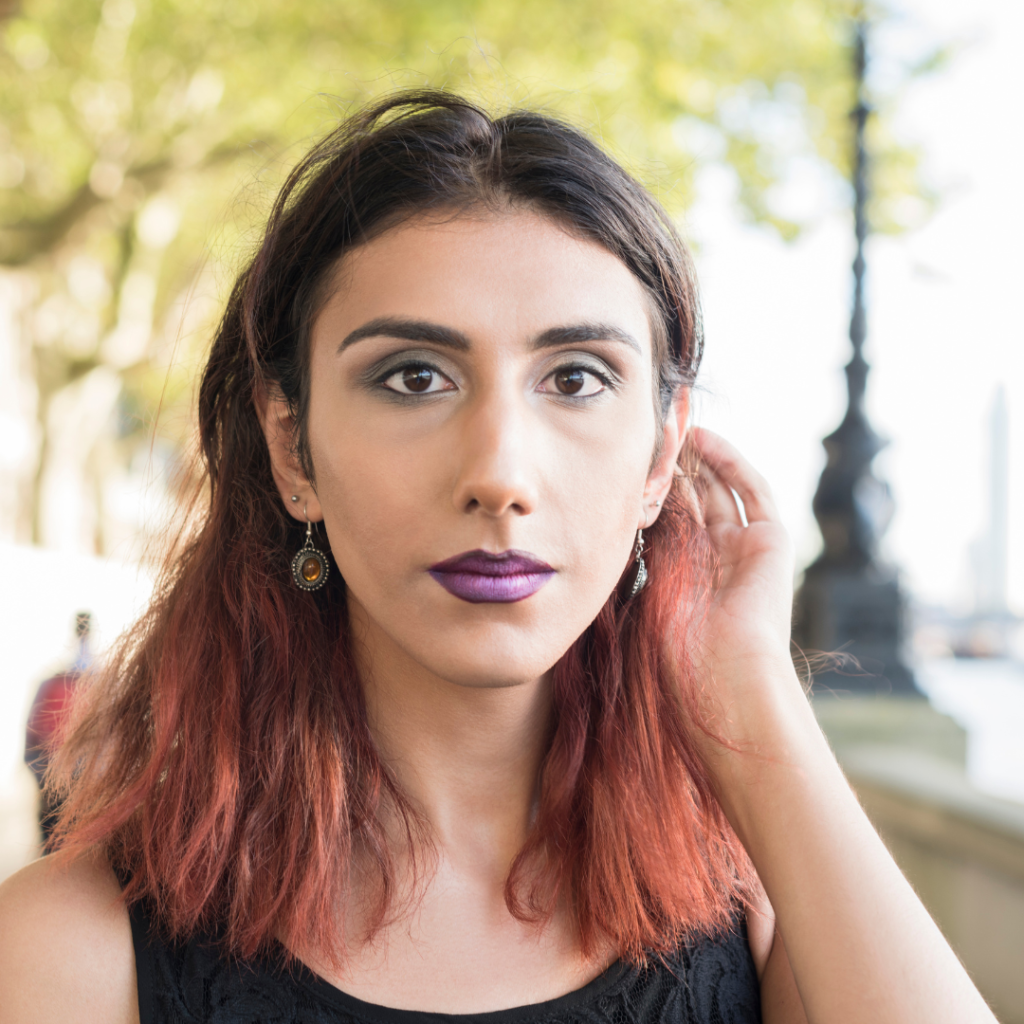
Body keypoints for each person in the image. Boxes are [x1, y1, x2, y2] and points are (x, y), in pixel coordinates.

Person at [0, 92, 996, 1024]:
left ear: (660, 453)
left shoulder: (767, 914)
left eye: (574, 377)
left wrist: (752, 695)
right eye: (414, 376)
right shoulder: (75, 951)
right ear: (291, 448)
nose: (499, 474)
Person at [23, 611, 93, 848]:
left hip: (82, 784)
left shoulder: (97, 684)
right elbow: (32, 739)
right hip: (56, 777)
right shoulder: (54, 684)